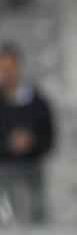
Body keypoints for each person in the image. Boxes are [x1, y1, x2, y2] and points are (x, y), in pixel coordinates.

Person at [0, 42, 55, 224]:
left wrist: (31, 142)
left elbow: (49, 138)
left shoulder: (38, 102)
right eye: (2, 68)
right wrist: (8, 144)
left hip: (32, 171)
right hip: (3, 171)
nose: (6, 73)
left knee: (37, 221)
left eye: (10, 67)